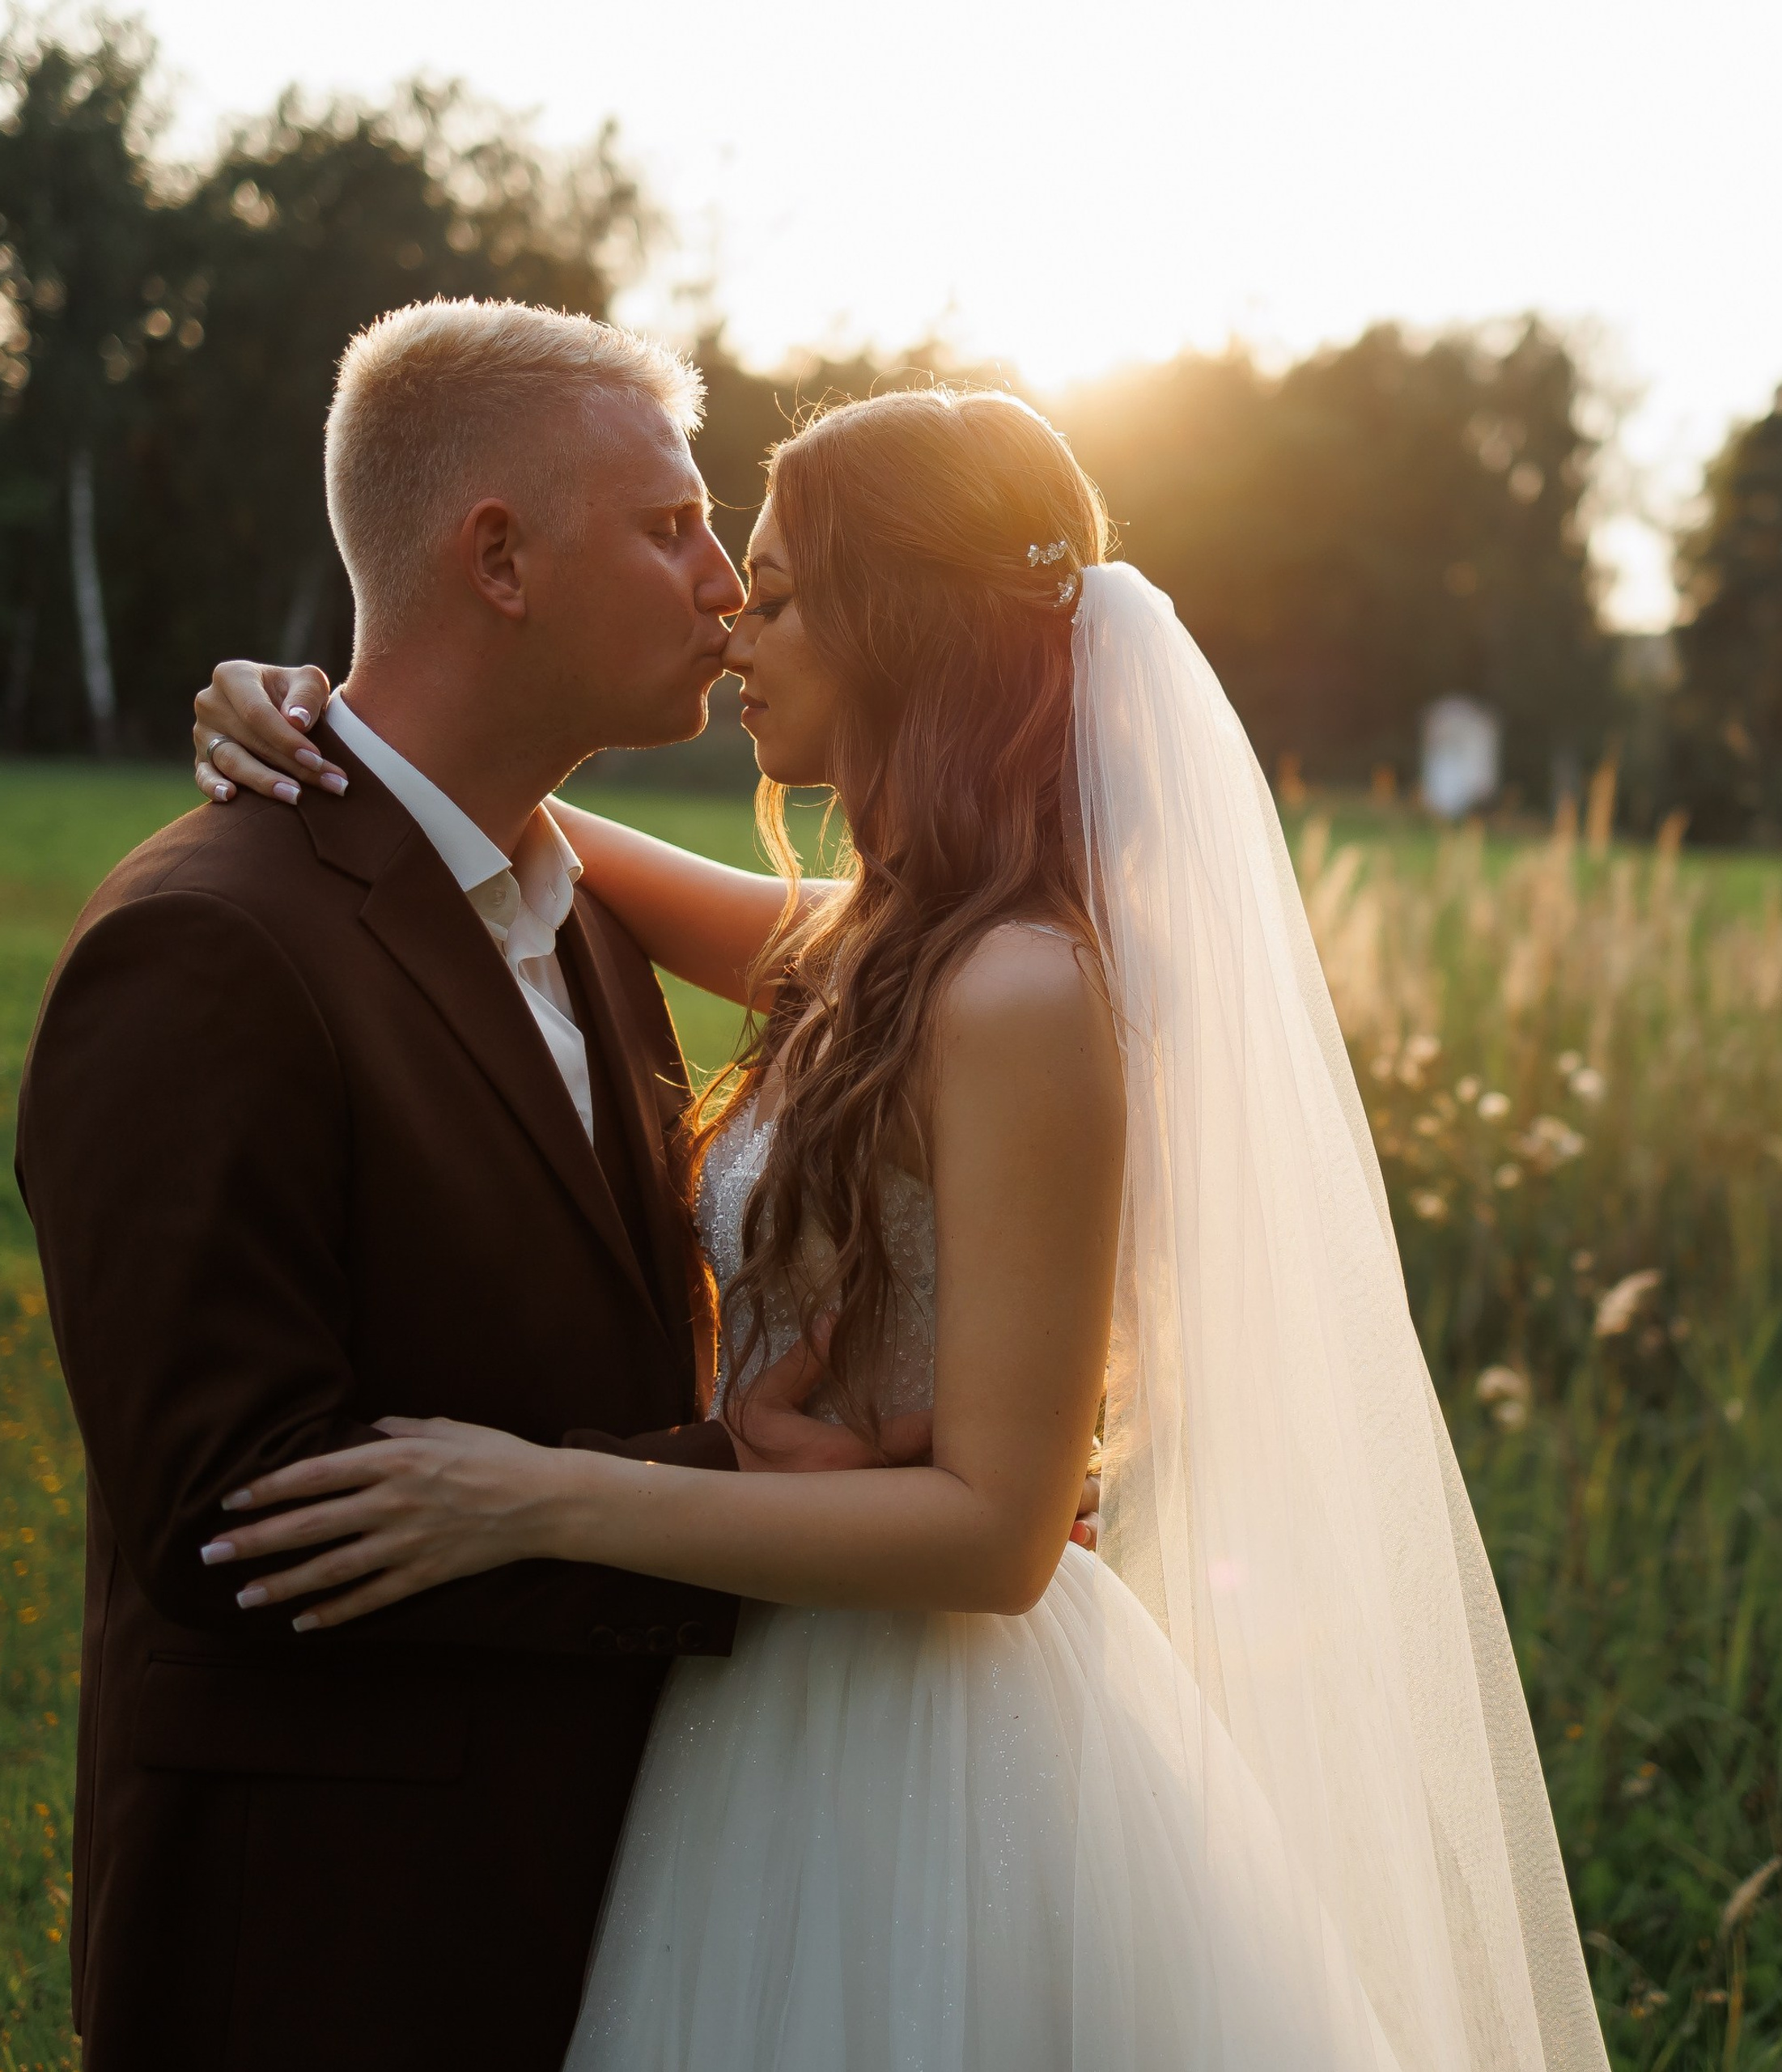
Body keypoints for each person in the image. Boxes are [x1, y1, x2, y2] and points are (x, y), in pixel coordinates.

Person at [192, 380, 1611, 2069]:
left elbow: (998, 1538)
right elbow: (518, 817)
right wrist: (311, 718)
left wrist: (536, 1496)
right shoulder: (884, 941)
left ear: (899, 627)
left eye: (778, 592)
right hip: (768, 1696)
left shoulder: (1015, 984)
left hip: (931, 1747)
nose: (732, 626)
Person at [17, 299, 1036, 2072]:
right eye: (674, 527)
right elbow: (226, 1516)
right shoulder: (208, 948)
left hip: (655, 1874)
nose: (722, 585)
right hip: (336, 1941)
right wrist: (711, 1478)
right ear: (498, 558)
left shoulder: (577, 912)